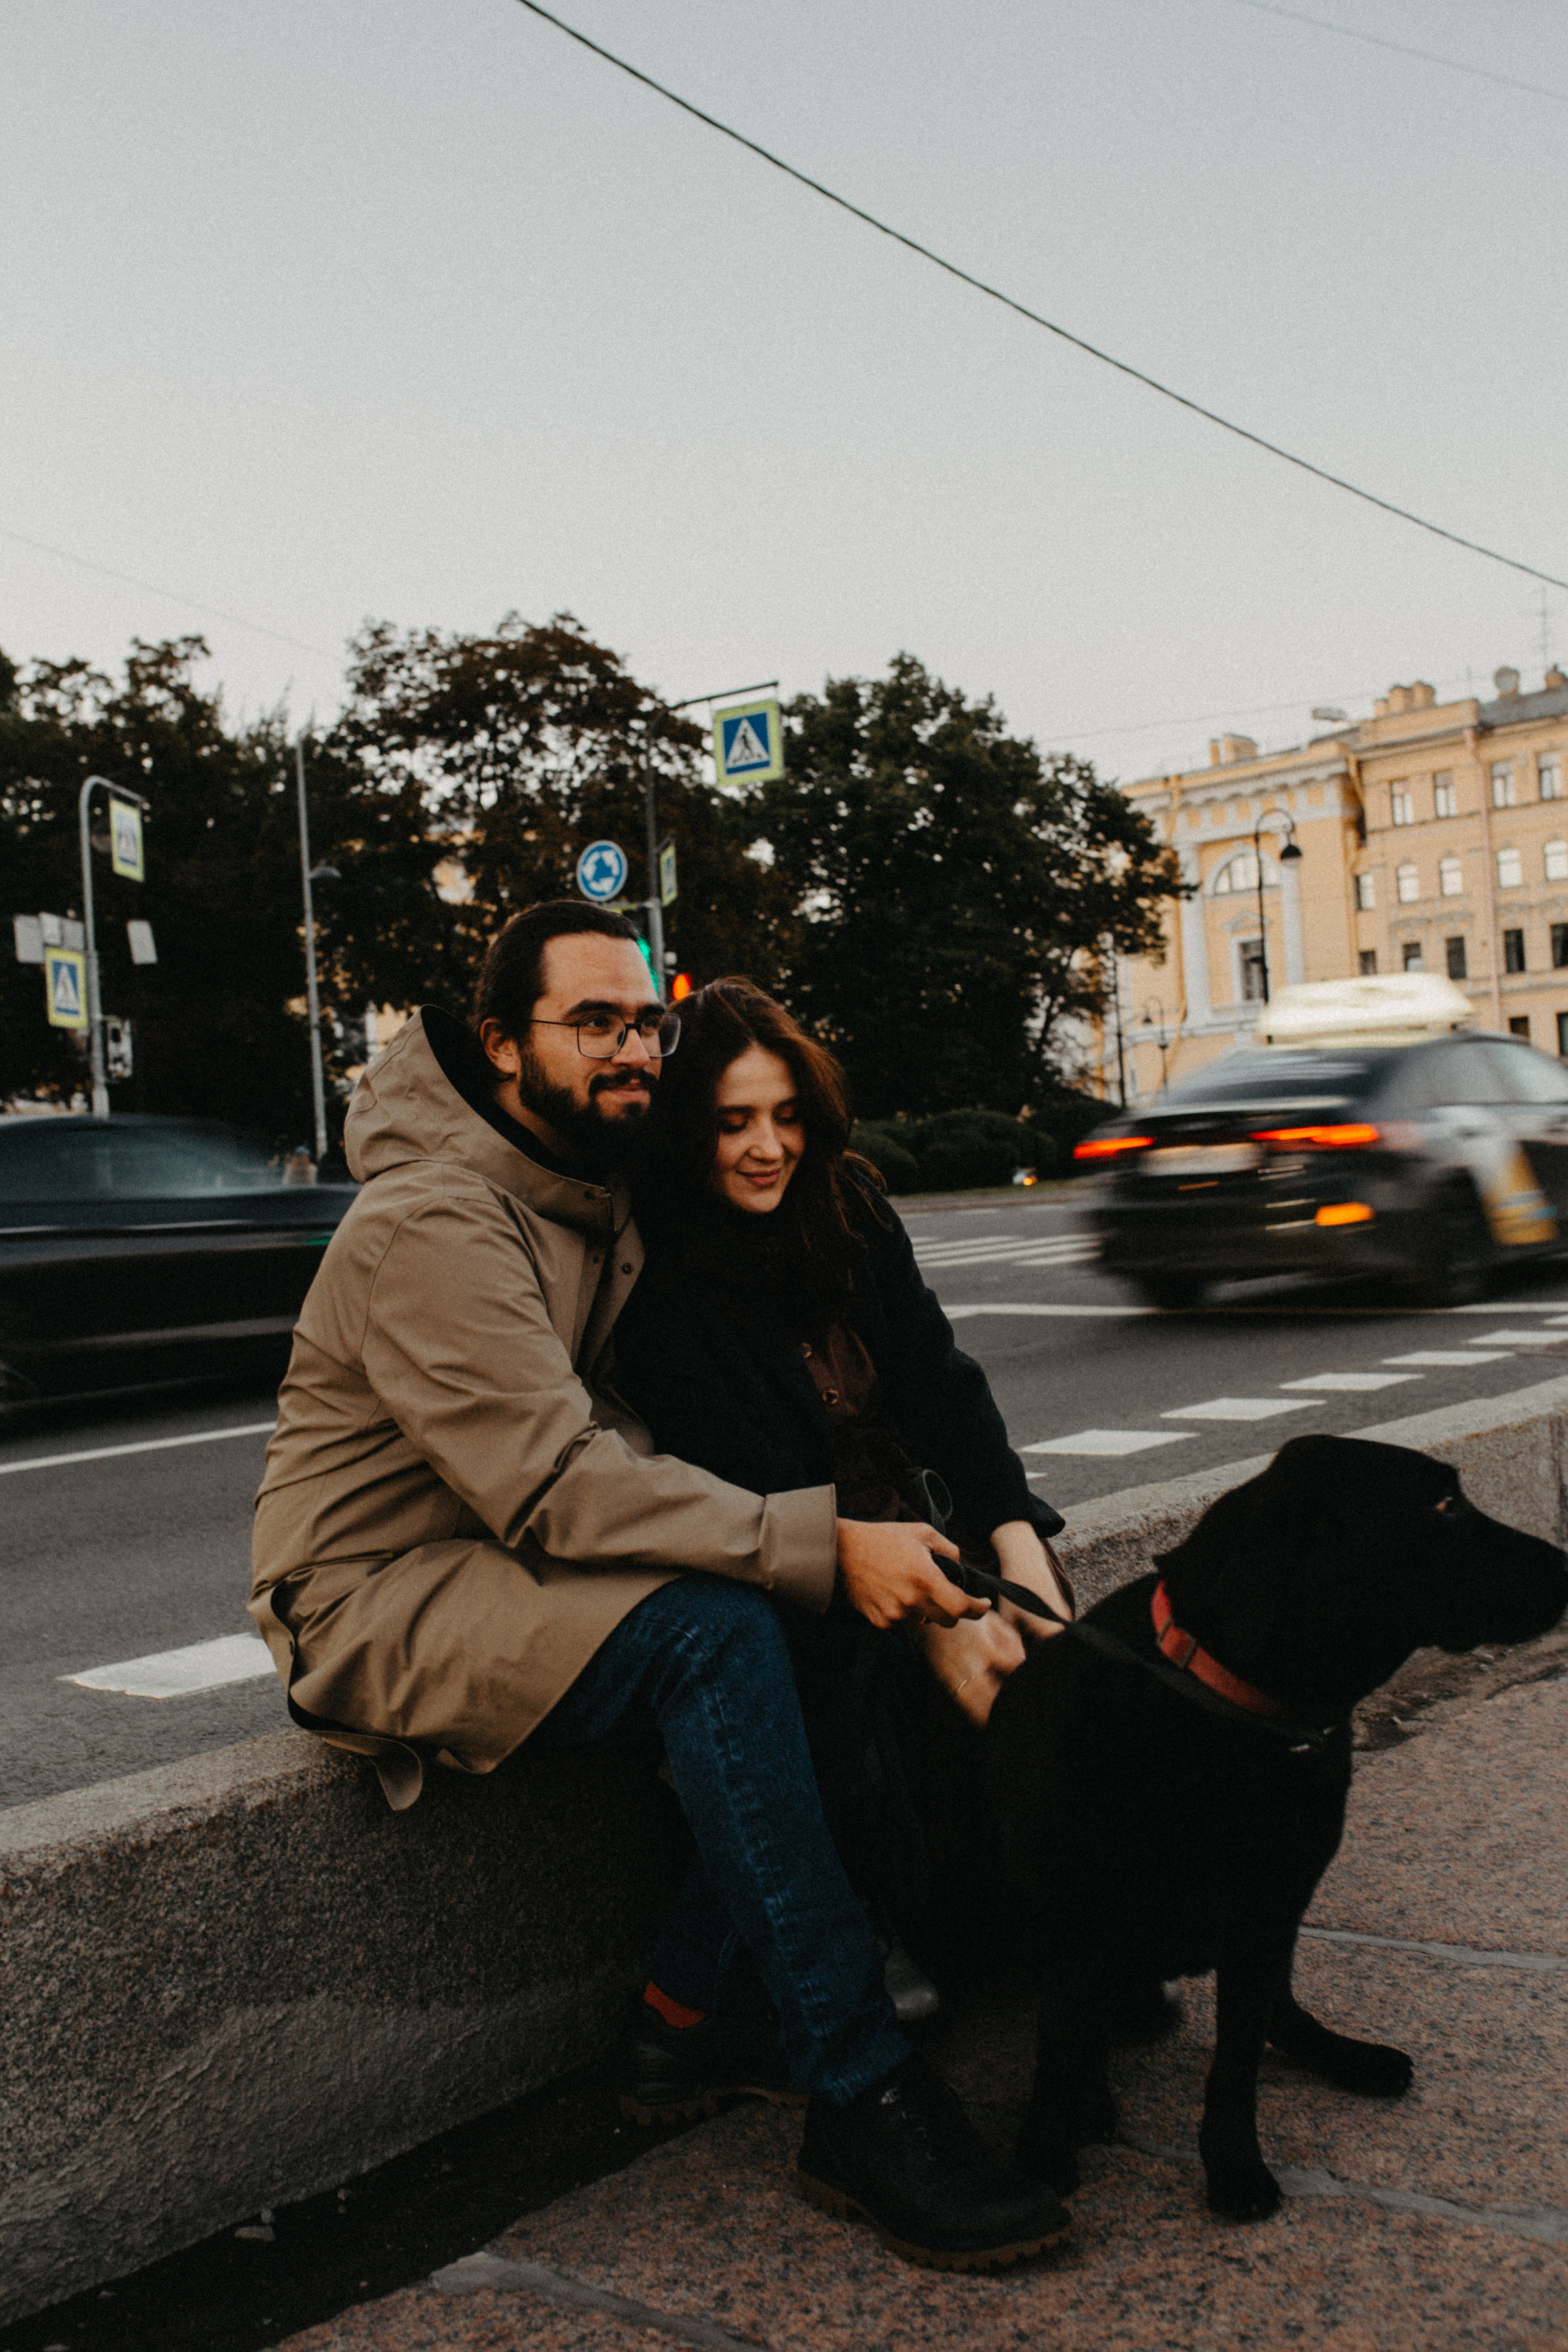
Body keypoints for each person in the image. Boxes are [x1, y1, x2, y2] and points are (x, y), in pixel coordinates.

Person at [249, 900, 1068, 2271]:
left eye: (645, 1020)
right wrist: (816, 1541)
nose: (632, 1048)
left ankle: (685, 2014)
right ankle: (857, 2090)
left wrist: (909, 1545)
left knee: (774, 1609)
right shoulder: (438, 1219)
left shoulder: (578, 1185)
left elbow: (632, 1439)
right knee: (719, 1629)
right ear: (503, 1045)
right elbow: (557, 1479)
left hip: (498, 1558)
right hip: (376, 1595)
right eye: (593, 1022)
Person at [608, 978, 1074, 1975]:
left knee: (1055, 1645)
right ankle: (914, 1931)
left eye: (785, 1117)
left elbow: (943, 1384)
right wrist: (928, 1624)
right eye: (733, 1123)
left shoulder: (847, 1199)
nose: (767, 1147)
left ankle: (1072, 1920)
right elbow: (754, 1474)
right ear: (690, 1128)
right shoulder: (661, 1272)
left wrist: (1017, 1546)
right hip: (797, 1556)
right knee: (887, 1686)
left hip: (918, 1513)